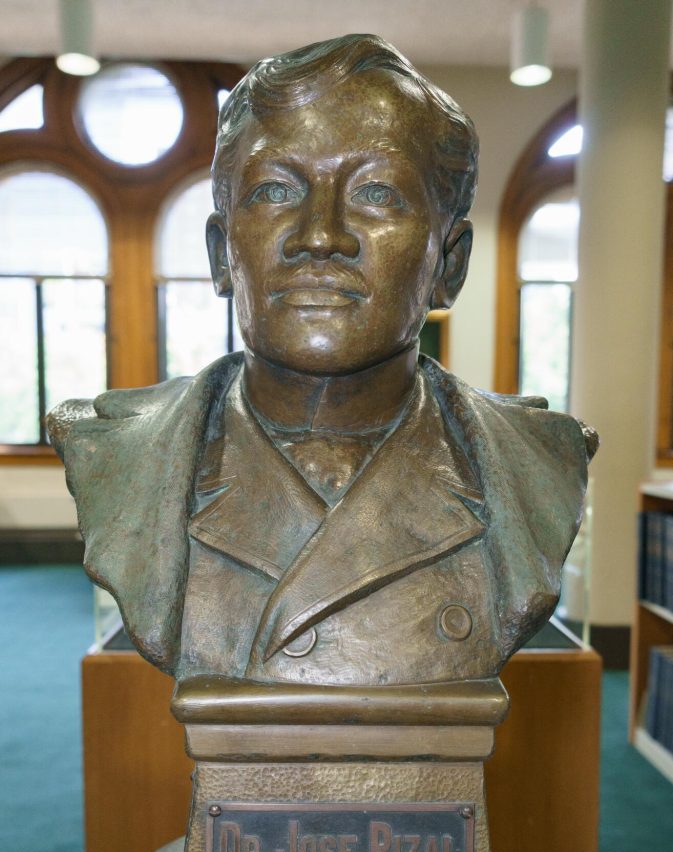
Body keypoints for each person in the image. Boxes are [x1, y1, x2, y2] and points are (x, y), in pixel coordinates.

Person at [48, 34, 597, 690]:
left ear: (446, 265)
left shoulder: (535, 463)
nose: (319, 235)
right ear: (222, 254)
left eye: (378, 194)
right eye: (276, 190)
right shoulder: (116, 453)